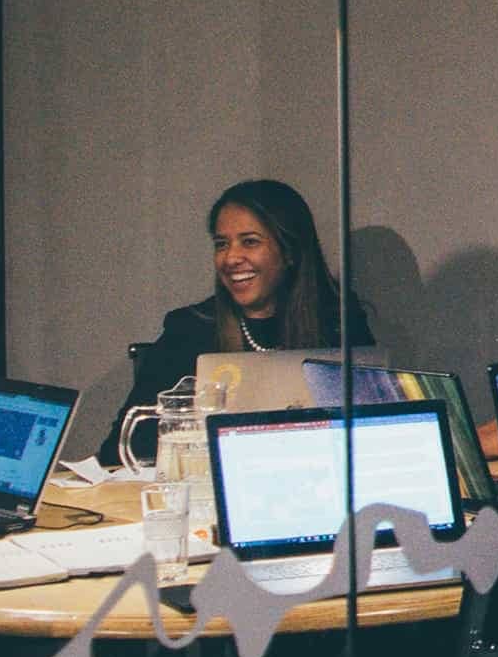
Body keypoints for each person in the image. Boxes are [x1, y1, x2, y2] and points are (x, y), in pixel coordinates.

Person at [100, 178, 373, 464]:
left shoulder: (339, 324)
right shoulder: (190, 329)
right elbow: (118, 451)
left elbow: (372, 439)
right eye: (222, 244)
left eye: (250, 242)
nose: (230, 258)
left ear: (290, 251)